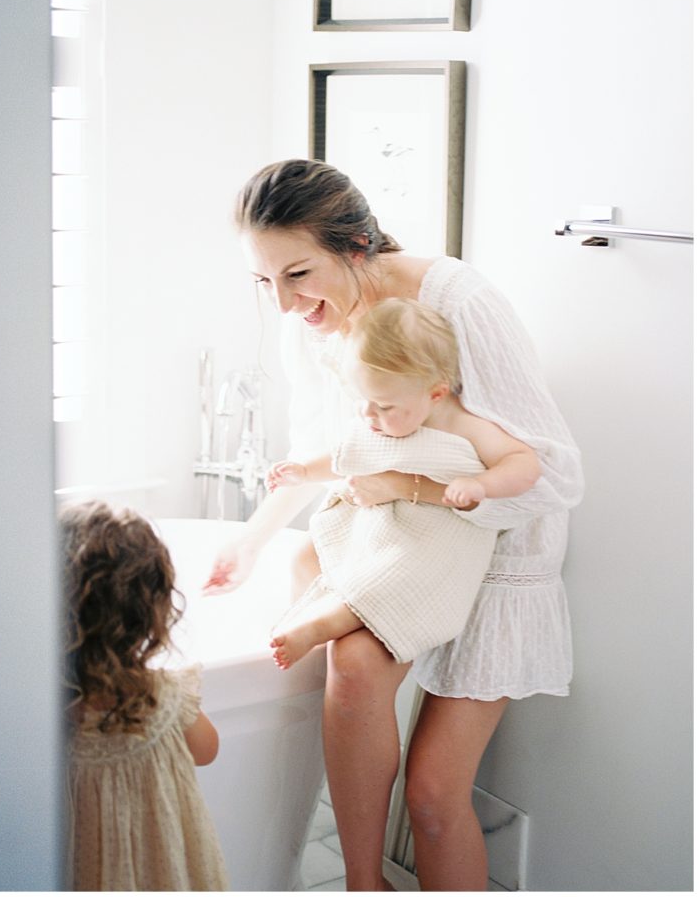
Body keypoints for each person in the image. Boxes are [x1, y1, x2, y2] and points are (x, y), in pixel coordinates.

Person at [203, 159, 584, 891]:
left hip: (497, 542)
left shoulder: (456, 302)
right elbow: (323, 452)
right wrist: (251, 540)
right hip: (401, 540)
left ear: (356, 246)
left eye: (298, 274)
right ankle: (361, 882)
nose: (284, 303)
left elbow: (554, 470)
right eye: (265, 281)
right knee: (350, 664)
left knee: (436, 797)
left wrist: (425, 487)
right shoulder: (310, 327)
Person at [267, 297, 541, 671]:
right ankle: (305, 628)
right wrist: (301, 471)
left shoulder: (463, 425)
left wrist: (482, 484)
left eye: (383, 405)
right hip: (380, 529)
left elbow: (524, 463)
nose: (368, 414)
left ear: (436, 394)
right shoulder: (377, 416)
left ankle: (320, 625)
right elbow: (343, 454)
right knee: (304, 555)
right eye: (362, 400)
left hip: (429, 547)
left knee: (389, 579)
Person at [62, 500, 228, 892]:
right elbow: (208, 750)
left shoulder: (43, 712)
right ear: (151, 613)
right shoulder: (165, 697)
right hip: (160, 869)